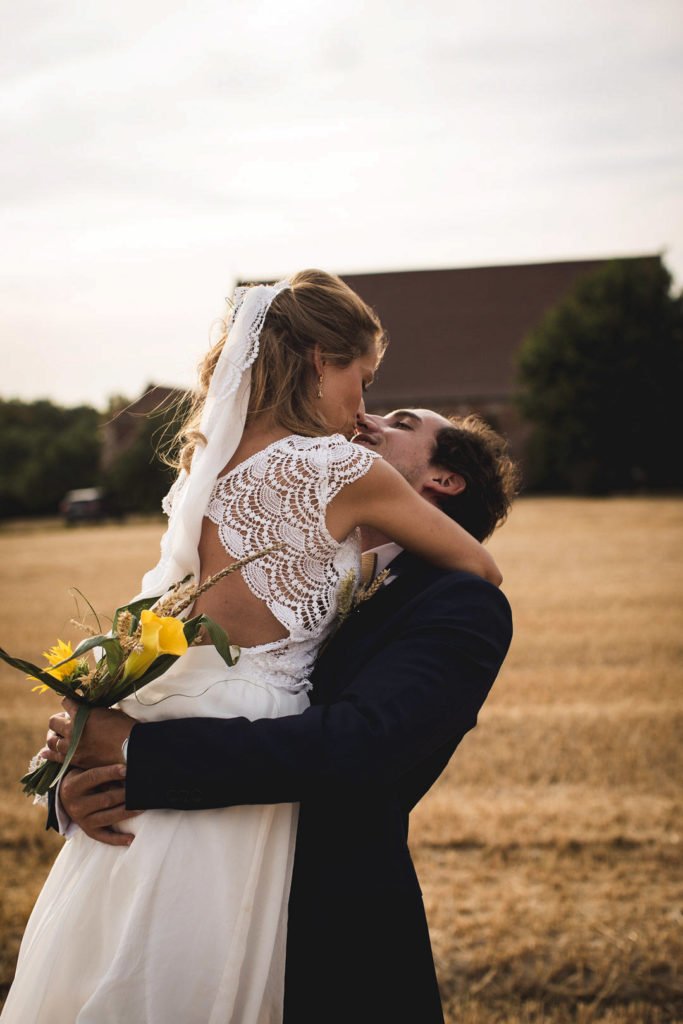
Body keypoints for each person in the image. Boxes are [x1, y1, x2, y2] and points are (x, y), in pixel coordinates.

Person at [2, 271, 503, 1024]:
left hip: (319, 918)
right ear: (316, 361)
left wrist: (135, 755)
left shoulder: (447, 605)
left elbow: (358, 748)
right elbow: (161, 629)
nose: (362, 417)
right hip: (183, 791)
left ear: (440, 479)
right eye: (362, 386)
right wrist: (81, 772)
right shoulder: (330, 487)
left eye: (393, 415)